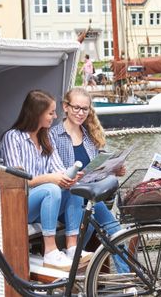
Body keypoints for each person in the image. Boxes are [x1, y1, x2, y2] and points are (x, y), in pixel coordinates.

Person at [0, 90, 93, 271]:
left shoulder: (46, 137)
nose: (55, 116)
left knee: (73, 187)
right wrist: (49, 178)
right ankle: (50, 252)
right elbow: (16, 182)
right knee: (52, 188)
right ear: (37, 113)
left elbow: (58, 169)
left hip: (44, 202)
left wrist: (70, 175)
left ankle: (72, 248)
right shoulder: (13, 137)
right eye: (51, 112)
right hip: (19, 205)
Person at [50, 87, 129, 273]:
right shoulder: (53, 135)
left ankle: (127, 281)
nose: (80, 113)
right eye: (76, 108)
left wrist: (114, 170)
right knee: (89, 223)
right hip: (67, 198)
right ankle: (73, 270)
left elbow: (95, 171)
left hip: (90, 196)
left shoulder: (89, 136)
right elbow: (52, 170)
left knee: (116, 233)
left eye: (84, 109)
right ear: (66, 107)